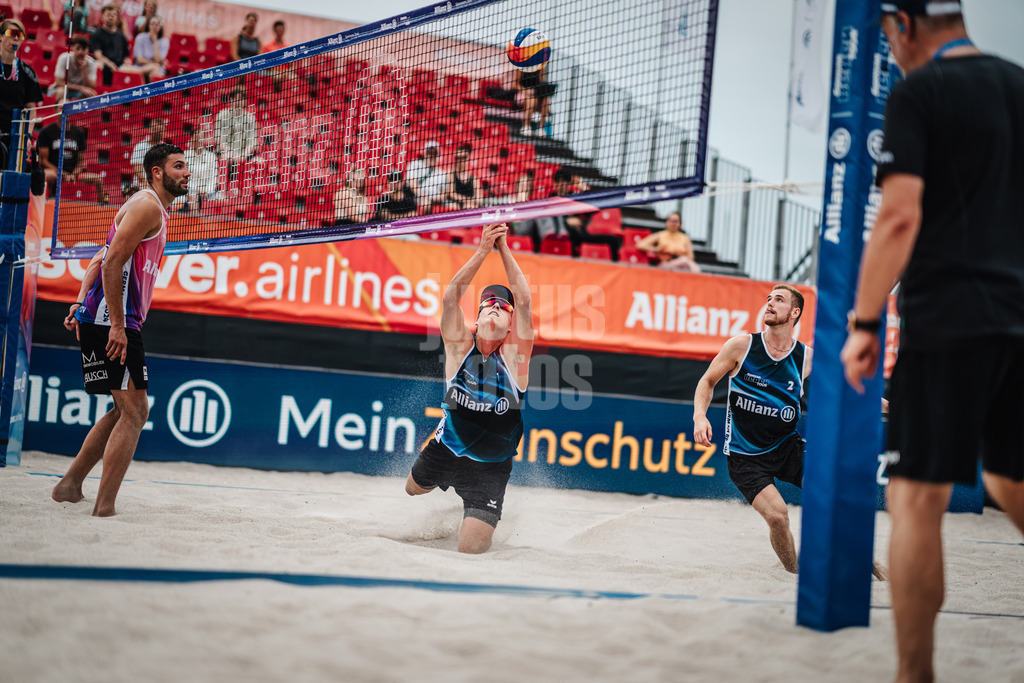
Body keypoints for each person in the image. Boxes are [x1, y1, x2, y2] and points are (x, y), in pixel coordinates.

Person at [840, 3, 1024, 681]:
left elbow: (899, 216)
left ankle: (913, 675)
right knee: (1009, 479)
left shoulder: (920, 91)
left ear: (904, 26)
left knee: (916, 497)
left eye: (890, 36)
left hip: (950, 317)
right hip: (1018, 313)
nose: (891, 49)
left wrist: (863, 324)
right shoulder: (1018, 82)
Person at [51, 142, 190, 517]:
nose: (187, 172)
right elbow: (112, 262)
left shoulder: (152, 209)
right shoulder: (147, 205)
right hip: (114, 321)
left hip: (103, 316)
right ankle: (104, 507)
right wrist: (115, 324)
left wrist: (81, 301)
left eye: (187, 166)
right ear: (157, 172)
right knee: (135, 412)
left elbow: (101, 254)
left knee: (122, 409)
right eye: (179, 166)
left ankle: (69, 485)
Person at [405, 222, 534, 554]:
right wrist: (482, 250)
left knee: (471, 550)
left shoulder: (516, 356)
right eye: (487, 302)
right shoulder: (460, 346)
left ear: (511, 326)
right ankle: (440, 464)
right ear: (475, 319)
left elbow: (523, 299)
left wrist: (502, 247)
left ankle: (471, 511)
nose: (495, 305)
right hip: (446, 449)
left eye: (503, 307)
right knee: (412, 489)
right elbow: (450, 299)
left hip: (490, 469)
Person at [693, 285, 813, 573]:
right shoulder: (741, 346)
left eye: (779, 300)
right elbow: (707, 382)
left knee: (831, 498)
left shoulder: (806, 357)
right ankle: (793, 575)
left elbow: (847, 384)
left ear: (795, 312)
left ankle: (869, 565)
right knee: (779, 518)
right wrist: (700, 416)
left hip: (787, 446)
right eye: (769, 299)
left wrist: (880, 403)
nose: (770, 304)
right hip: (744, 456)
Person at [0, 19, 43, 171]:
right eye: (12, 34)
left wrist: (28, 136)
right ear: (0, 36)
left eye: (20, 35)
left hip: (15, 136)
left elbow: (31, 109)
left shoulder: (27, 72)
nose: (16, 38)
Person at [37, 121, 108, 203]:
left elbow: (80, 162)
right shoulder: (46, 131)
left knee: (98, 179)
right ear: (55, 110)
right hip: (55, 171)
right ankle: (46, 204)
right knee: (46, 176)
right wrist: (62, 173)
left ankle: (101, 210)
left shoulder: (79, 133)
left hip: (74, 174)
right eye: (60, 108)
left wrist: (74, 174)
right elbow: (44, 161)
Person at [90, 4, 162, 85]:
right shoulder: (96, 34)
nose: (111, 17)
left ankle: (143, 96)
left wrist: (126, 61)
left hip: (120, 67)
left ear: (117, 17)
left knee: (146, 70)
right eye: (108, 15)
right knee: (98, 65)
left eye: (113, 15)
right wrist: (110, 64)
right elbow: (98, 56)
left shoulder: (121, 36)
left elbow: (125, 57)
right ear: (102, 16)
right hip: (104, 64)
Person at [635, 212, 702, 273]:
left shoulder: (684, 238)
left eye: (675, 221)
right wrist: (656, 249)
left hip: (682, 265)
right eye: (671, 220)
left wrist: (678, 254)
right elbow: (640, 245)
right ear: (666, 222)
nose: (673, 223)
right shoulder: (660, 235)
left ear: (679, 224)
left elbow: (690, 257)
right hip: (665, 264)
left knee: (685, 262)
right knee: (686, 263)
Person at [213, 87, 257, 170]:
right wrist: (230, 153)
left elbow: (252, 143)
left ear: (245, 101)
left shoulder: (251, 118)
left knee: (259, 161)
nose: (237, 101)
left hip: (244, 155)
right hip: (225, 153)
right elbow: (219, 140)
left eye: (240, 98)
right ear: (231, 99)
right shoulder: (222, 115)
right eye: (235, 98)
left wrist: (243, 155)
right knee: (227, 159)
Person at [50, 36, 98, 105]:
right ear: (73, 48)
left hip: (78, 93)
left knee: (91, 94)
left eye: (84, 49)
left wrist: (84, 70)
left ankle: (79, 114)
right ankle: (59, 114)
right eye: (78, 48)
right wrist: (81, 88)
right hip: (62, 89)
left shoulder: (92, 63)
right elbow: (59, 82)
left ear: (87, 50)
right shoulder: (64, 58)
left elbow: (91, 86)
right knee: (61, 91)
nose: (80, 52)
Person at [178, 128, 217, 211]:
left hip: (208, 192)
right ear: (191, 139)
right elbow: (183, 177)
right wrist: (196, 190)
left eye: (200, 139)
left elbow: (213, 178)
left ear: (205, 141)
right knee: (193, 197)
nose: (198, 141)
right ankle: (195, 221)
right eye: (196, 138)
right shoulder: (185, 155)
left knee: (222, 200)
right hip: (190, 190)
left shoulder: (211, 157)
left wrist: (207, 191)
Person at [514, 64, 555, 137]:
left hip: (536, 94)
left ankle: (541, 128)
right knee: (531, 100)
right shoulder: (521, 67)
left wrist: (542, 90)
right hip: (522, 94)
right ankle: (526, 126)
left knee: (546, 100)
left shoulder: (540, 68)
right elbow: (516, 85)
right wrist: (527, 91)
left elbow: (542, 83)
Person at [406, 141, 446, 210]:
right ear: (425, 153)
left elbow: (444, 193)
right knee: (426, 205)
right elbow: (412, 184)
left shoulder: (441, 173)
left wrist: (439, 198)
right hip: (418, 199)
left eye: (434, 153)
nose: (431, 156)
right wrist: (423, 196)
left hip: (436, 202)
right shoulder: (415, 164)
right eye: (429, 153)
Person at [130, 118, 165, 188]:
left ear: (164, 132)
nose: (157, 132)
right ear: (149, 130)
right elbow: (137, 169)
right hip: (141, 184)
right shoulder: (140, 146)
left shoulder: (165, 149)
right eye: (155, 129)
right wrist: (146, 182)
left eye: (160, 131)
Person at [131, 15, 169, 79]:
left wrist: (155, 42)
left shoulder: (165, 41)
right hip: (141, 67)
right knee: (154, 68)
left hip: (157, 68)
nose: (154, 26)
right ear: (149, 25)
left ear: (160, 27)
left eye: (157, 24)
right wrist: (152, 64)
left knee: (155, 72)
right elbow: (139, 60)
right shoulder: (140, 37)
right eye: (152, 24)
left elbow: (158, 61)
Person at [444, 144, 479, 210]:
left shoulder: (474, 179)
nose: (461, 160)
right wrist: (468, 200)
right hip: (456, 205)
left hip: (471, 206)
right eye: (458, 158)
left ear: (467, 158)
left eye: (463, 157)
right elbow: (451, 194)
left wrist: (471, 202)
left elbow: (479, 198)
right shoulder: (451, 174)